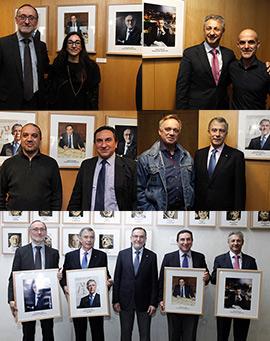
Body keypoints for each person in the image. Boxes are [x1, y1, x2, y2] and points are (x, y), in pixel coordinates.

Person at [8, 220, 60, 340]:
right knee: (28, 333)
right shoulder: (21, 252)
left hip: (47, 299)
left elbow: (54, 276)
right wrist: (11, 299)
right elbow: (13, 277)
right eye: (36, 229)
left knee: (48, 333)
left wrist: (58, 277)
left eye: (42, 229)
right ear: (30, 232)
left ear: (46, 232)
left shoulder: (53, 253)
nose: (39, 232)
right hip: (27, 299)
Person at [60, 227, 113, 341]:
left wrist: (109, 282)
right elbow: (64, 276)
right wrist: (64, 286)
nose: (89, 240)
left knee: (98, 334)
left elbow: (106, 275)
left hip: (96, 304)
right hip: (78, 303)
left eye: (92, 237)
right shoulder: (70, 256)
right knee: (79, 334)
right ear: (80, 239)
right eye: (86, 237)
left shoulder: (101, 255)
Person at [68, 126, 137, 211]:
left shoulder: (131, 166)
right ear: (95, 144)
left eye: (108, 140)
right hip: (90, 221)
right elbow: (76, 199)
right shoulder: (86, 166)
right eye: (99, 141)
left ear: (116, 143)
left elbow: (137, 201)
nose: (104, 145)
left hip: (118, 222)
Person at [159, 230, 210, 341]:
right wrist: (161, 300)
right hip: (173, 305)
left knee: (190, 336)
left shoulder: (200, 257)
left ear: (192, 241)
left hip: (192, 306)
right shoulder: (168, 257)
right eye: (182, 239)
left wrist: (207, 278)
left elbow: (206, 278)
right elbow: (162, 280)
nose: (185, 242)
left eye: (188, 239)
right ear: (177, 242)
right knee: (174, 335)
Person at [176, 14, 235, 110]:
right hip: (197, 108)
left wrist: (265, 66)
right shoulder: (190, 54)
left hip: (222, 107)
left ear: (223, 32)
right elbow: (182, 87)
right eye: (208, 28)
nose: (212, 33)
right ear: (204, 30)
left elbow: (241, 70)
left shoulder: (229, 54)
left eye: (216, 29)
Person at [137, 114, 194, 211]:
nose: (171, 133)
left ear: (179, 133)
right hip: (157, 213)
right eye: (167, 129)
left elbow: (192, 185)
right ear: (160, 131)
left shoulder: (187, 157)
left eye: (175, 130)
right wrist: (152, 212)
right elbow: (138, 191)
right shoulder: (145, 158)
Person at [0, 123, 62, 210]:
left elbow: (57, 197)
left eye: (34, 136)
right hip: (14, 220)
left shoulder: (51, 164)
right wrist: (4, 217)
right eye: (25, 135)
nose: (29, 139)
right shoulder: (8, 164)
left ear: (40, 139)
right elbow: (1, 194)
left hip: (43, 220)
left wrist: (52, 219)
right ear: (21, 138)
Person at [0, 4, 49, 110]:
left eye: (31, 18)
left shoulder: (41, 46)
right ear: (16, 20)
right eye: (22, 17)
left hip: (36, 102)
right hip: (9, 103)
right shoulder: (3, 44)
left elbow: (44, 70)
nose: (27, 21)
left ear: (36, 22)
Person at [113, 227, 158, 341]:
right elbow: (117, 279)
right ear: (131, 238)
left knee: (145, 335)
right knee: (125, 335)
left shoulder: (152, 256)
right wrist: (115, 300)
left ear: (145, 239)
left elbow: (154, 281)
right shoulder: (122, 254)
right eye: (136, 236)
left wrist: (153, 303)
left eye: (141, 237)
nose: (138, 239)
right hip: (125, 302)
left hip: (145, 303)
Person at [211, 231, 257, 341]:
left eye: (238, 240)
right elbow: (213, 280)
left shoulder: (250, 261)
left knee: (241, 336)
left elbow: (255, 282)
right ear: (228, 243)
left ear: (242, 243)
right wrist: (220, 274)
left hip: (244, 305)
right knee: (222, 336)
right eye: (233, 241)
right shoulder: (220, 259)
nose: (235, 243)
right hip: (224, 304)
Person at [194, 117, 246, 210]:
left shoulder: (236, 156)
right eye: (214, 130)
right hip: (201, 210)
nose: (217, 134)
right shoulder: (199, 154)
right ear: (209, 132)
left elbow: (240, 191)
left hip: (224, 211)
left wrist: (238, 215)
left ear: (226, 134)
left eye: (221, 131)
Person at [46, 32, 100, 110]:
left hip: (84, 109)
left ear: (82, 47)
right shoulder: (58, 65)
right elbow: (49, 90)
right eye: (70, 43)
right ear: (65, 46)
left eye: (77, 43)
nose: (74, 46)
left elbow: (94, 96)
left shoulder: (91, 67)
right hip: (60, 108)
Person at [230, 29, 270, 109]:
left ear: (258, 44)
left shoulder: (266, 70)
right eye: (242, 42)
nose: (246, 46)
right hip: (236, 118)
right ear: (238, 45)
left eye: (251, 42)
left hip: (257, 119)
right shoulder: (232, 67)